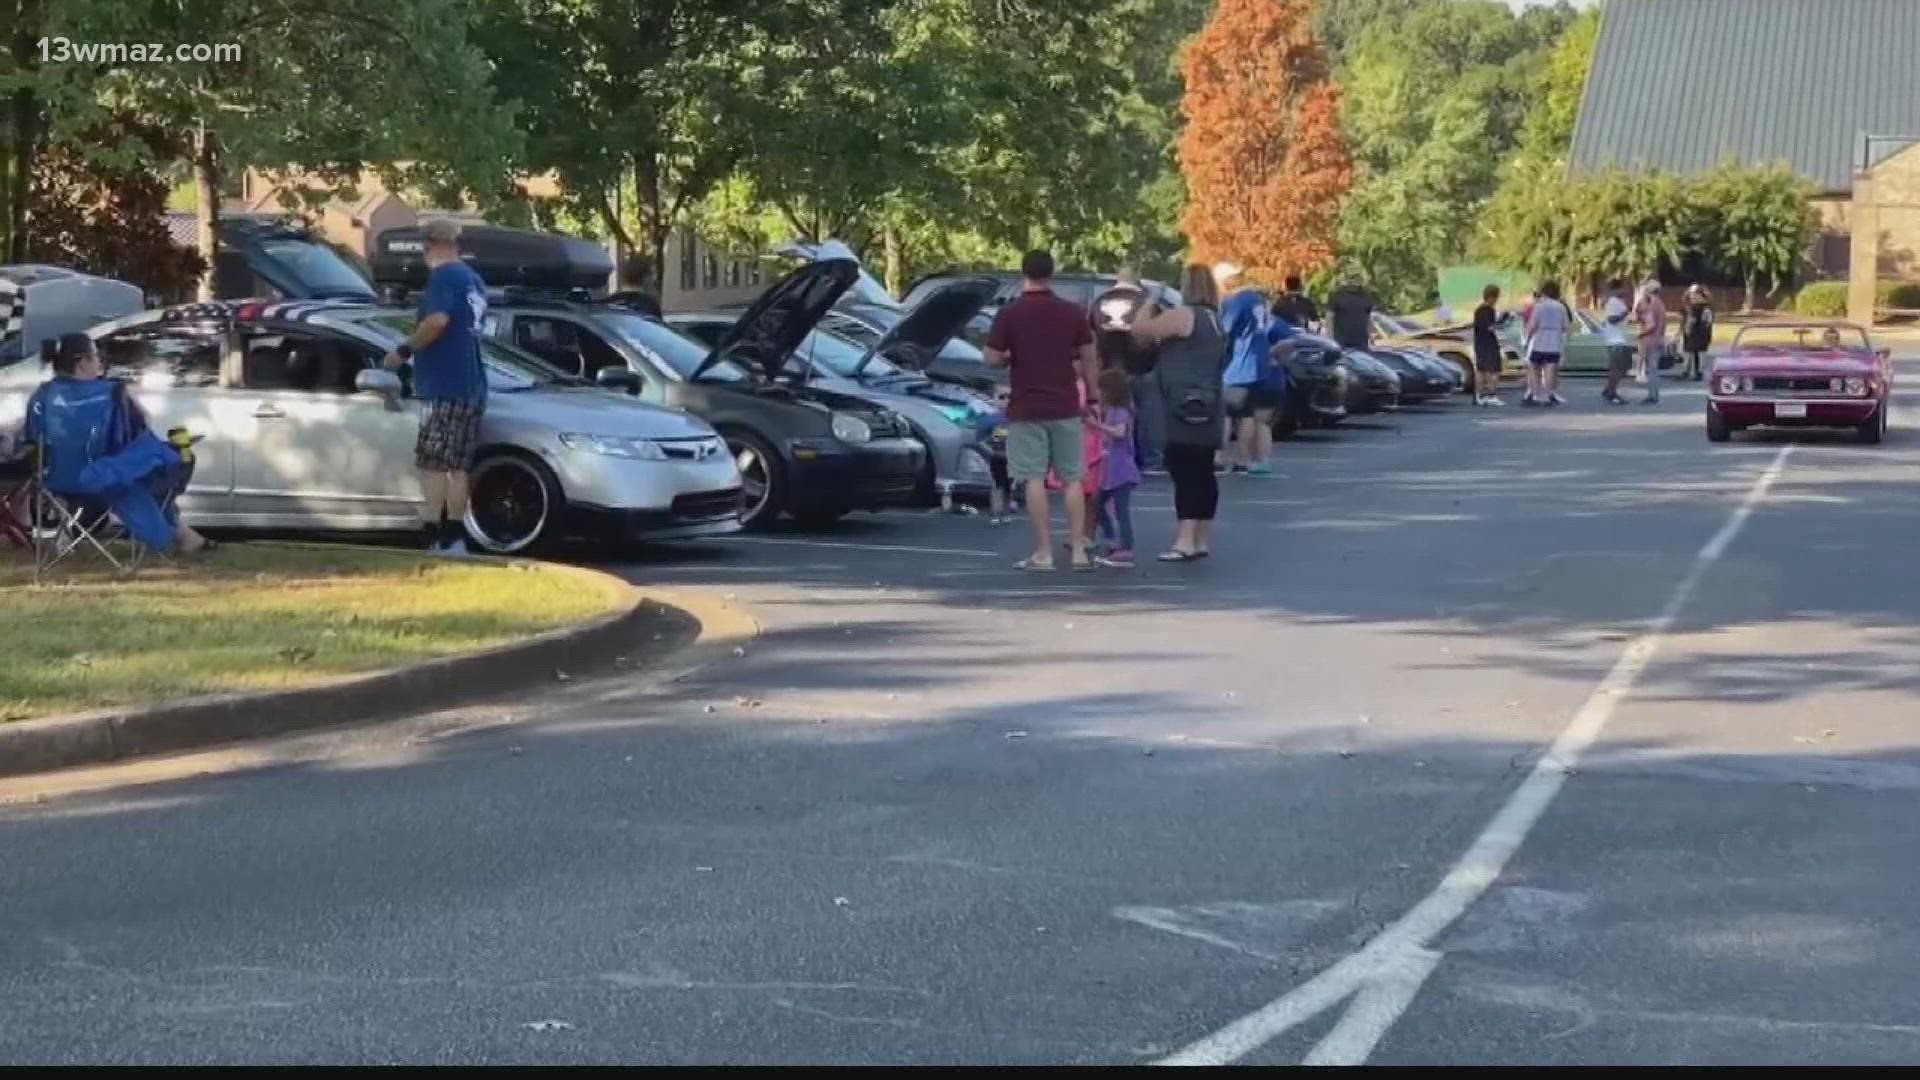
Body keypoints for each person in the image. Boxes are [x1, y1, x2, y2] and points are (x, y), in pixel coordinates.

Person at [21, 333, 209, 555]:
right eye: (96, 356)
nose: (100, 362)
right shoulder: (112, 394)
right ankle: (171, 536)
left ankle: (182, 535)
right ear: (82, 363)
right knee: (151, 466)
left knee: (135, 470)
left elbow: (32, 440)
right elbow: (134, 435)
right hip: (105, 479)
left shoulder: (41, 396)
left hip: (56, 482)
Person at [984, 249, 1099, 572]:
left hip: (1026, 406)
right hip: (1065, 405)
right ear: (1053, 272)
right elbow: (1089, 358)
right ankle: (1078, 551)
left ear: (1024, 272)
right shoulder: (1072, 312)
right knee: (1073, 478)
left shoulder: (1010, 314)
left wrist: (1011, 357)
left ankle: (1044, 553)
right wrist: (1092, 398)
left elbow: (991, 358)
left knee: (1033, 478)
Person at [382, 217, 488, 555]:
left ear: (430, 243)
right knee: (458, 467)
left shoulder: (444, 279)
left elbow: (437, 321)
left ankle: (433, 532)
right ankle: (455, 535)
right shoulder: (474, 280)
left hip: (444, 385)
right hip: (471, 385)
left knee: (433, 464)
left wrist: (403, 351)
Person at [1131, 264, 1227, 562]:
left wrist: (1149, 301)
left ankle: (1184, 540)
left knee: (1184, 469)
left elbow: (1141, 333)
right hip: (1210, 402)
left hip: (1181, 404)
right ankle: (1200, 538)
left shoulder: (1186, 315)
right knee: (1203, 470)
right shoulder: (1214, 320)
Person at [1092, 269, 1165, 476]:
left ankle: (1110, 457)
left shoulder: (1099, 302)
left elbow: (1091, 337)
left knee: (1113, 415)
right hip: (1143, 366)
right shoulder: (1147, 303)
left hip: (1110, 367)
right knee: (1149, 415)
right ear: (1138, 283)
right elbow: (1157, 336)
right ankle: (1150, 459)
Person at [1221, 280, 1294, 476]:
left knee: (1226, 414)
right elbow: (1290, 339)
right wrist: (1275, 357)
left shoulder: (1237, 302)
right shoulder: (1261, 306)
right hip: (1260, 371)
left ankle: (1220, 457)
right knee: (1251, 417)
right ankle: (1251, 460)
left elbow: (1223, 331)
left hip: (1236, 369)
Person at [1090, 367, 1140, 568]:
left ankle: (1126, 547)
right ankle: (1112, 539)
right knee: (1098, 503)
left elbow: (1119, 433)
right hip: (1112, 470)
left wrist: (1097, 426)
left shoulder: (1121, 411)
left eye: (1102, 389)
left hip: (1122, 470)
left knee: (1121, 510)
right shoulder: (1111, 411)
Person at [1523, 280, 1570, 407]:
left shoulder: (1539, 306)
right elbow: (1566, 326)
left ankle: (1535, 394)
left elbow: (1532, 325)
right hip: (1554, 343)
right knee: (1550, 369)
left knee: (1534, 368)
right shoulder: (1561, 307)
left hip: (1540, 341)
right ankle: (1548, 395)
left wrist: (1526, 339)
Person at [1599, 278, 1634, 405]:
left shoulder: (1618, 301)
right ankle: (1611, 392)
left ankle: (1609, 389)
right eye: (1624, 288)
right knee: (1617, 368)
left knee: (1621, 367)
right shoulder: (1613, 302)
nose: (1626, 291)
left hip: (1619, 338)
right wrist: (1624, 314)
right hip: (1615, 340)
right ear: (1617, 289)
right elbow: (1611, 319)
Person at [1472, 284, 1505, 406]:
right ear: (1491, 297)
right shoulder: (1487, 310)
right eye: (1496, 297)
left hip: (1480, 342)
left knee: (1482, 369)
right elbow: (1489, 327)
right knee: (1494, 369)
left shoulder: (1479, 309)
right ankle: (1491, 395)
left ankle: (1478, 396)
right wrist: (1501, 323)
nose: (1496, 300)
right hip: (1488, 342)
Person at [1634, 279, 1666, 405]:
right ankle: (1654, 394)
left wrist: (1640, 334)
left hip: (1650, 340)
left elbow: (1651, 324)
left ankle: (1653, 396)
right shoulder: (1660, 304)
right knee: (1654, 369)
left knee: (1652, 370)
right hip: (1658, 339)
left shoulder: (1653, 304)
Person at [1328, 275, 1374, 351]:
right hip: (1341, 340)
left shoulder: (1366, 297)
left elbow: (1368, 318)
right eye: (1351, 278)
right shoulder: (1337, 296)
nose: (1354, 281)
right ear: (1347, 280)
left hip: (1361, 341)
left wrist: (1370, 335)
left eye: (1357, 279)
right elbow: (1329, 317)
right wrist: (1330, 337)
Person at [1681, 283, 1714, 381]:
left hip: (1700, 333)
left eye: (1694, 294)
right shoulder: (1689, 306)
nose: (1692, 296)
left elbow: (1706, 320)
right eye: (1691, 294)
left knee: (1699, 352)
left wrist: (1690, 325)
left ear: (1699, 294)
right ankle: (1689, 371)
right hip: (1692, 333)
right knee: (1691, 352)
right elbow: (1685, 318)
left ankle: (1698, 372)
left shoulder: (1704, 307)